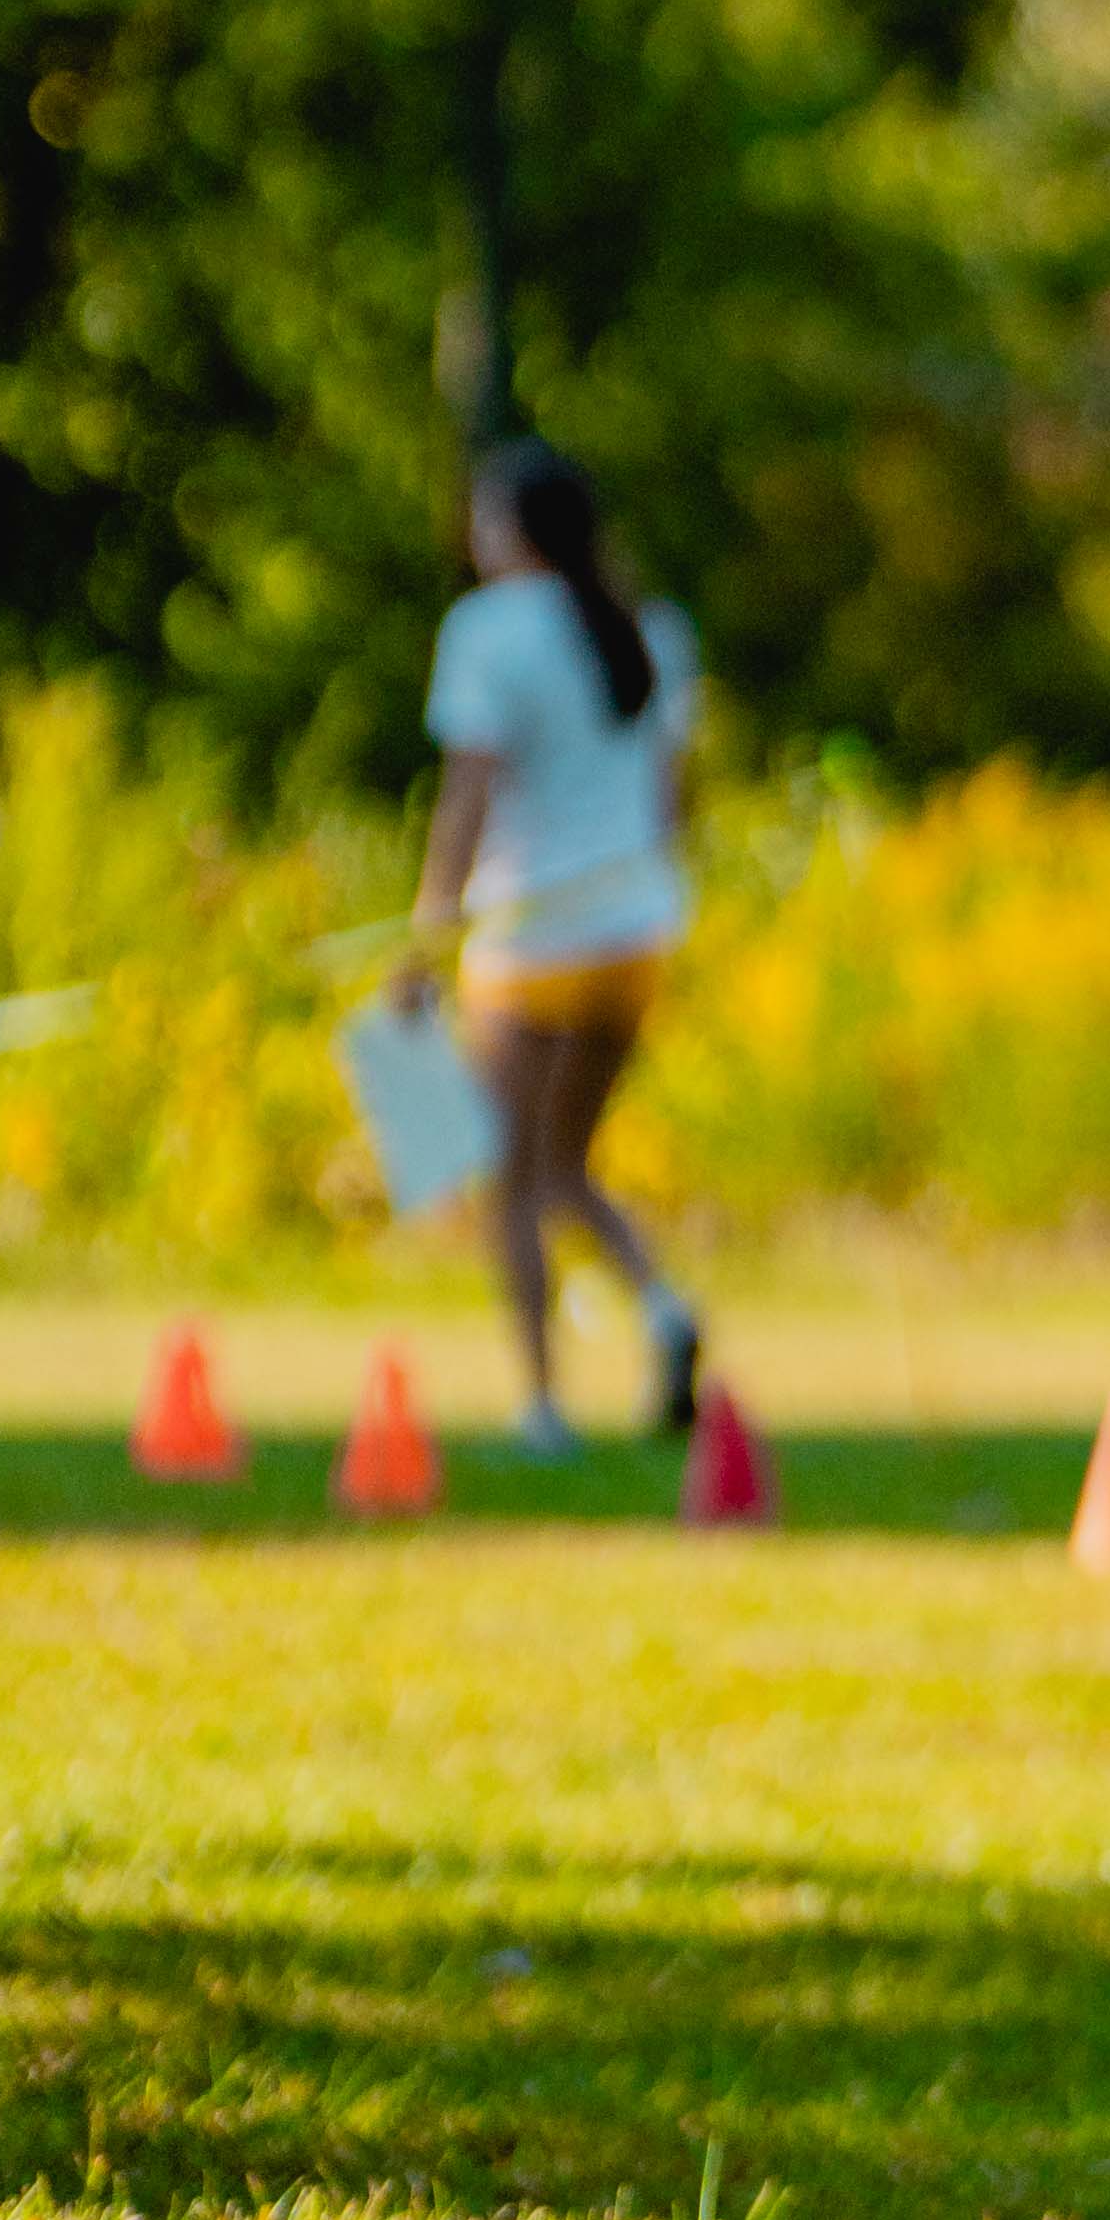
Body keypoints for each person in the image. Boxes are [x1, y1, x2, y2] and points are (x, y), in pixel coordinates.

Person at [400, 437, 707, 1464]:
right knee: (566, 1164)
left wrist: (426, 932)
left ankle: (540, 1405)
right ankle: (663, 1309)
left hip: (531, 939)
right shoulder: (650, 629)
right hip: (636, 932)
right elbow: (670, 797)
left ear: (518, 529)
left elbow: (469, 795)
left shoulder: (487, 632)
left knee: (512, 1180)